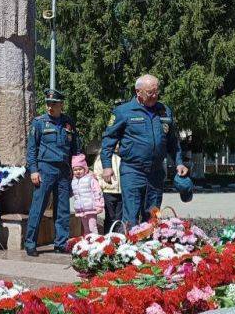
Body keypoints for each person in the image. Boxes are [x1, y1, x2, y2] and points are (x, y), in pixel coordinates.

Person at [100, 74, 188, 225]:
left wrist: (179, 162)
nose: (154, 96)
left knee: (153, 216)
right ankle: (130, 247)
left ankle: (150, 247)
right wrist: (107, 166)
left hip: (156, 172)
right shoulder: (123, 112)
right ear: (138, 92)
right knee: (131, 217)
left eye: (156, 91)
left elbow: (173, 142)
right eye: (150, 92)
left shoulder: (165, 111)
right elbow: (108, 140)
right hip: (133, 171)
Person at [24, 89, 83, 257]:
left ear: (61, 105)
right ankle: (30, 243)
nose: (50, 107)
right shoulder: (39, 122)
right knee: (38, 207)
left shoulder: (68, 123)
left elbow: (75, 149)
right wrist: (33, 170)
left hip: (64, 171)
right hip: (45, 169)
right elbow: (31, 149)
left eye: (54, 104)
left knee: (63, 209)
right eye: (48, 104)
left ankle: (61, 243)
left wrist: (78, 167)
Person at [70, 154, 103, 236]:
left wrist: (99, 205)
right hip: (82, 210)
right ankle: (88, 243)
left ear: (85, 169)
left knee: (92, 227)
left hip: (91, 208)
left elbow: (98, 192)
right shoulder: (74, 181)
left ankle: (96, 241)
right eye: (75, 170)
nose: (77, 171)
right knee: (86, 229)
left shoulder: (90, 179)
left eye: (80, 169)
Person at [93, 151, 123, 231]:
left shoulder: (122, 156)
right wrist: (105, 185)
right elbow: (97, 175)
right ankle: (108, 235)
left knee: (119, 217)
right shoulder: (102, 158)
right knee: (110, 216)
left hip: (120, 192)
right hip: (108, 192)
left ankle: (118, 236)